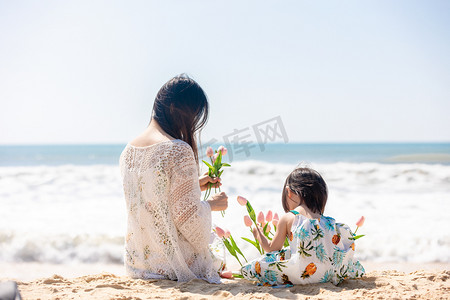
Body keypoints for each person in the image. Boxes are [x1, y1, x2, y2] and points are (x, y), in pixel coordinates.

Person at [119, 74, 228, 283]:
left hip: (137, 263)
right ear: (176, 111)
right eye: (194, 116)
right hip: (171, 265)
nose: (193, 123)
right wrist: (211, 205)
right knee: (215, 244)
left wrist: (193, 185)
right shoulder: (178, 149)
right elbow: (188, 219)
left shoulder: (128, 150)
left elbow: (150, 199)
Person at [241, 167, 365, 286]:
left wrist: (258, 234)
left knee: (260, 263)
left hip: (303, 275)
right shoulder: (325, 220)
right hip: (331, 274)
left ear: (288, 192)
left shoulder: (289, 217)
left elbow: (272, 249)